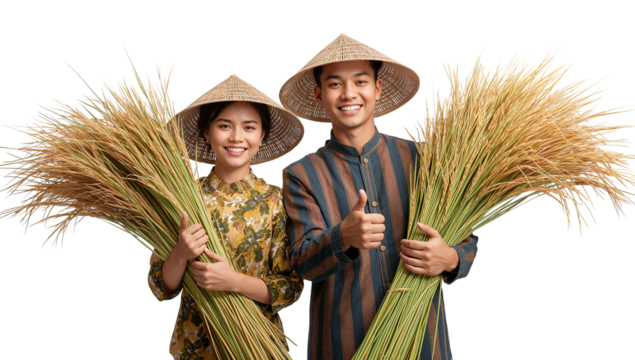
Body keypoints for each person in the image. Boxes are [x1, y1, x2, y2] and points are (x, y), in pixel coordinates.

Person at [278, 31, 480, 360]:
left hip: (423, 343)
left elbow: (466, 235)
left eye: (360, 81)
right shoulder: (302, 174)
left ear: (377, 88)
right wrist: (342, 237)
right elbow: (302, 264)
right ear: (318, 95)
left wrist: (452, 258)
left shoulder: (420, 157)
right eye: (334, 84)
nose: (348, 94)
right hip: (344, 345)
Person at [147, 73, 306, 359]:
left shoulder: (276, 200)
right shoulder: (182, 197)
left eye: (249, 127)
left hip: (257, 345)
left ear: (262, 135)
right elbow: (160, 287)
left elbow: (290, 288)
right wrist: (181, 253)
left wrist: (233, 281)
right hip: (193, 348)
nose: (236, 137)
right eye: (224, 126)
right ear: (207, 132)